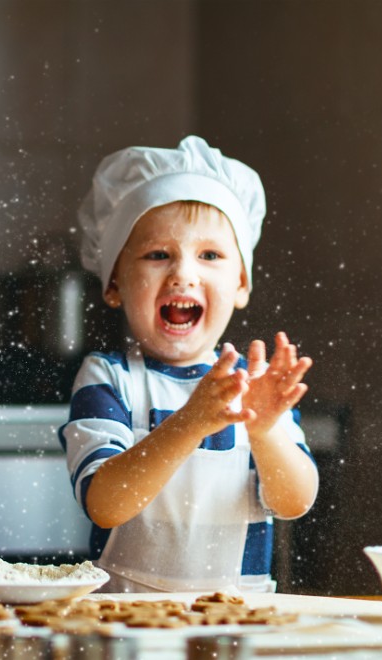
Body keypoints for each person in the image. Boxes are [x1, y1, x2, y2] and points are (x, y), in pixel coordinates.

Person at [60, 136, 319, 593]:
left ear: (241, 284)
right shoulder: (108, 378)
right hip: (124, 622)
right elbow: (104, 502)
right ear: (115, 282)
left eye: (210, 256)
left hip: (237, 624)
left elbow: (294, 501)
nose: (183, 273)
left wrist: (263, 430)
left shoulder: (253, 387)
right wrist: (189, 423)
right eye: (158, 254)